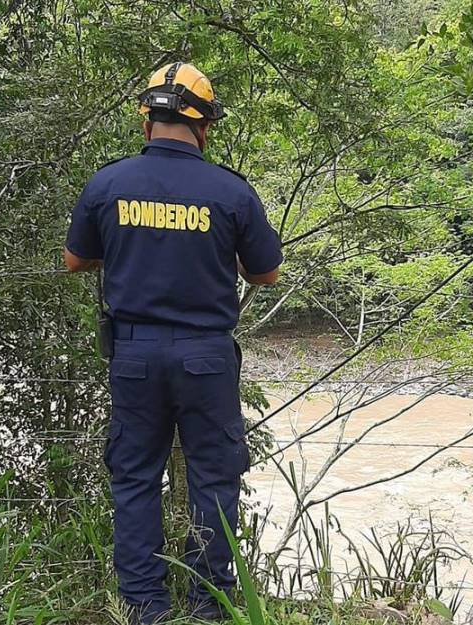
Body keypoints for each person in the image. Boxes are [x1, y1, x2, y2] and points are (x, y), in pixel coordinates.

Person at [62, 62, 282, 624]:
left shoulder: (108, 184)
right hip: (206, 356)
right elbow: (266, 273)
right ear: (204, 127)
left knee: (135, 477)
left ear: (146, 123)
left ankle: (144, 607)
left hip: (134, 355)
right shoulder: (231, 191)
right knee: (214, 478)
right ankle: (209, 605)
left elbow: (74, 260)